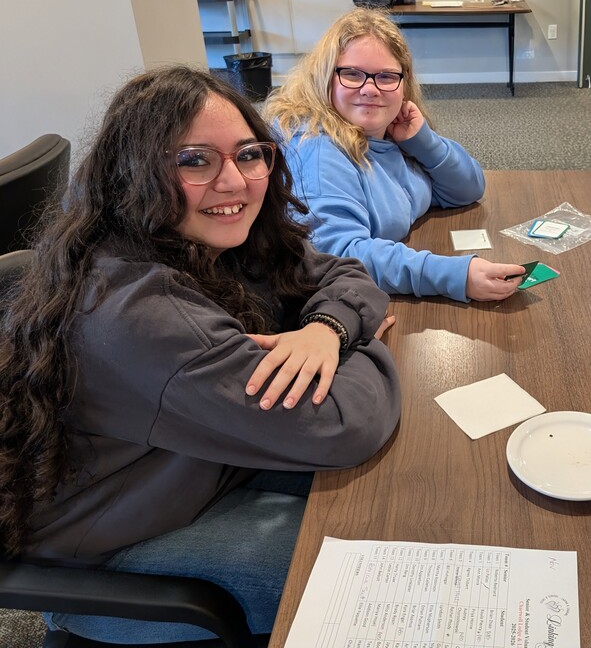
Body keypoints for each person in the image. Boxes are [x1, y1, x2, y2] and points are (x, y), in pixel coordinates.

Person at [0, 66, 401, 643]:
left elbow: (345, 274)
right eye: (195, 160)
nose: (234, 182)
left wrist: (326, 330)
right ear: (134, 174)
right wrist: (365, 340)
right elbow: (342, 425)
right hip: (107, 552)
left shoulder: (208, 235)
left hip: (191, 466)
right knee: (377, 571)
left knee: (392, 494)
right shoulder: (140, 313)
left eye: (249, 154)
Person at [265, 8, 525, 302]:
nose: (370, 89)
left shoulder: (390, 133)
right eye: (352, 74)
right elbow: (336, 257)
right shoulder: (316, 150)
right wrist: (453, 275)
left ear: (404, 84)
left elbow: (467, 189)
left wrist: (424, 142)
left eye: (386, 76)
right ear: (325, 78)